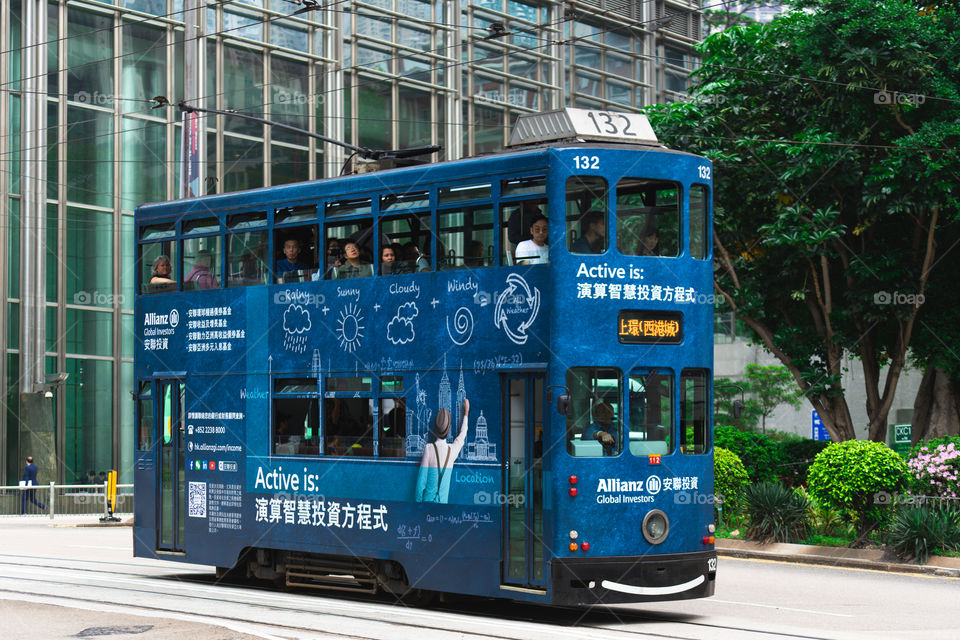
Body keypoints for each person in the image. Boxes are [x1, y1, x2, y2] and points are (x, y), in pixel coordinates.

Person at [416, 399, 470, 503]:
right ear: (448, 429)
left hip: (427, 503)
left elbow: (421, 483)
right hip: (442, 507)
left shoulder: (429, 449)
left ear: (435, 428)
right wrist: (466, 412)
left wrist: (417, 504)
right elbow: (463, 433)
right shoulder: (452, 450)